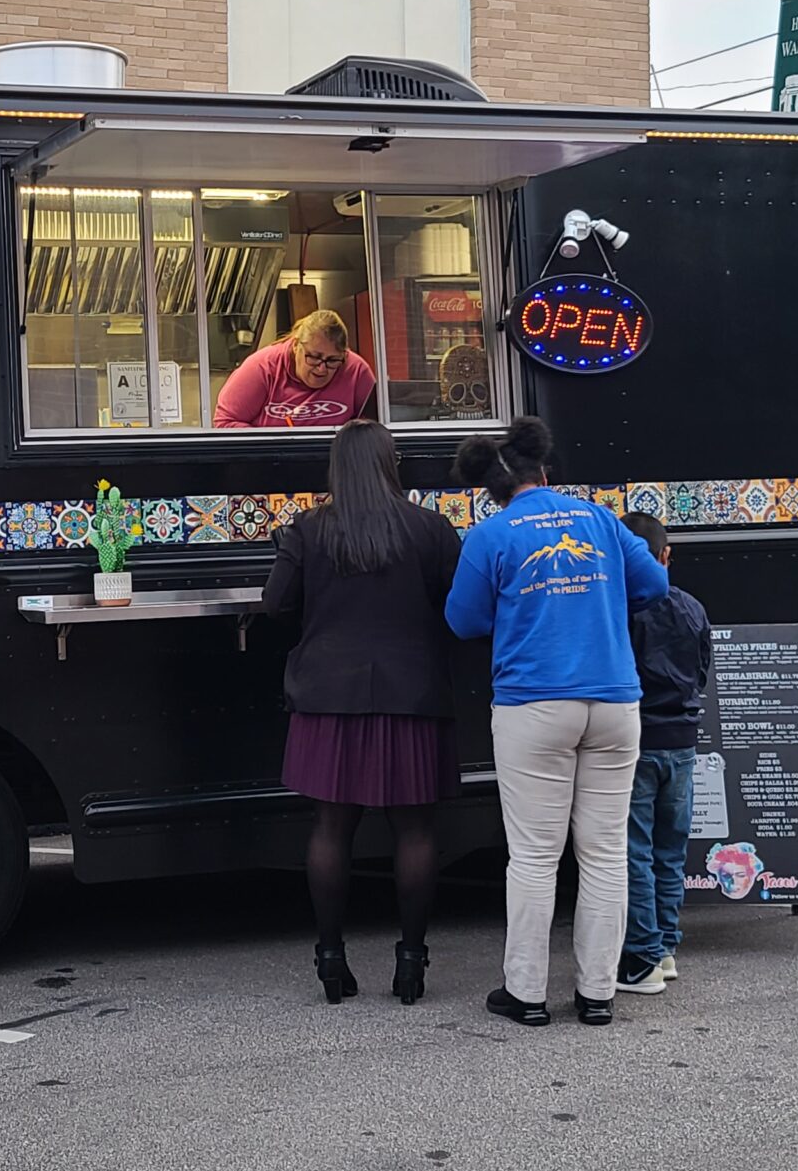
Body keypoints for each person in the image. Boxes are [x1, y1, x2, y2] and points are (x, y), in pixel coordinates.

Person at [445, 416, 666, 1028]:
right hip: (616, 702)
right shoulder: (599, 519)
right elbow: (655, 583)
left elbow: (462, 620)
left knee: (536, 857)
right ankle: (598, 994)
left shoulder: (491, 535)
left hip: (533, 706)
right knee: (604, 854)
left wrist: (521, 612)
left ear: (495, 488)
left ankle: (528, 993)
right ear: (546, 471)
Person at [258, 420, 464, 1005]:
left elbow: (276, 604)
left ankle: (330, 960)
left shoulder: (308, 529)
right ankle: (411, 964)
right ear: (389, 463)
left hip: (328, 695)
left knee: (330, 828)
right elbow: (458, 605)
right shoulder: (430, 529)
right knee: (417, 830)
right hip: (412, 693)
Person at [617, 512, 713, 997]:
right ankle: (668, 948)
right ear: (666, 556)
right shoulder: (693, 608)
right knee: (670, 853)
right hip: (683, 744)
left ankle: (644, 954)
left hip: (638, 744)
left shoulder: (621, 611)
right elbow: (701, 675)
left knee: (633, 851)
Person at [212, 308, 376, 428]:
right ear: (296, 346)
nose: (321, 369)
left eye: (332, 360)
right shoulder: (262, 368)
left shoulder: (356, 372)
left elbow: (374, 429)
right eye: (313, 357)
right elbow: (225, 421)